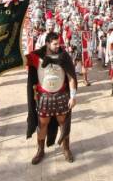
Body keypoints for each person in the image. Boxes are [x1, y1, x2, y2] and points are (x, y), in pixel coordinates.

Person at [25, 32, 77, 165]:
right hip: (44, 97)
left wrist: (73, 97)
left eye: (58, 43)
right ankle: (40, 150)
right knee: (42, 124)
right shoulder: (36, 56)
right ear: (47, 43)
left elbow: (71, 77)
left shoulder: (64, 56)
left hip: (62, 96)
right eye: (54, 43)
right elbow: (21, 60)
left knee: (63, 124)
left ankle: (66, 149)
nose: (57, 46)